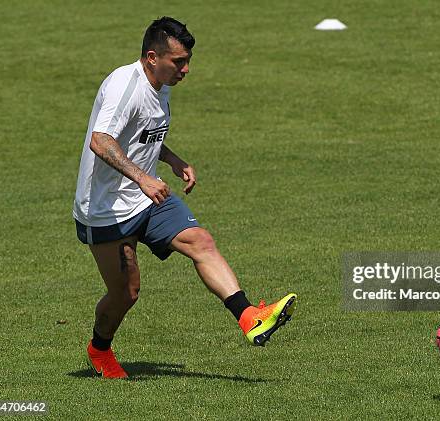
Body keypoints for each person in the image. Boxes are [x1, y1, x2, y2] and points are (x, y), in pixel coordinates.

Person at [73, 16, 297, 379]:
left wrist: (172, 159)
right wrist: (143, 178)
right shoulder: (124, 86)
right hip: (106, 209)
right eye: (178, 61)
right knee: (126, 293)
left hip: (148, 197)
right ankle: (99, 350)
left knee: (200, 241)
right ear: (151, 56)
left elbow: (142, 133)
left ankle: (249, 317)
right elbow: (101, 140)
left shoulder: (160, 83)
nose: (186, 69)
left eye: (187, 60)